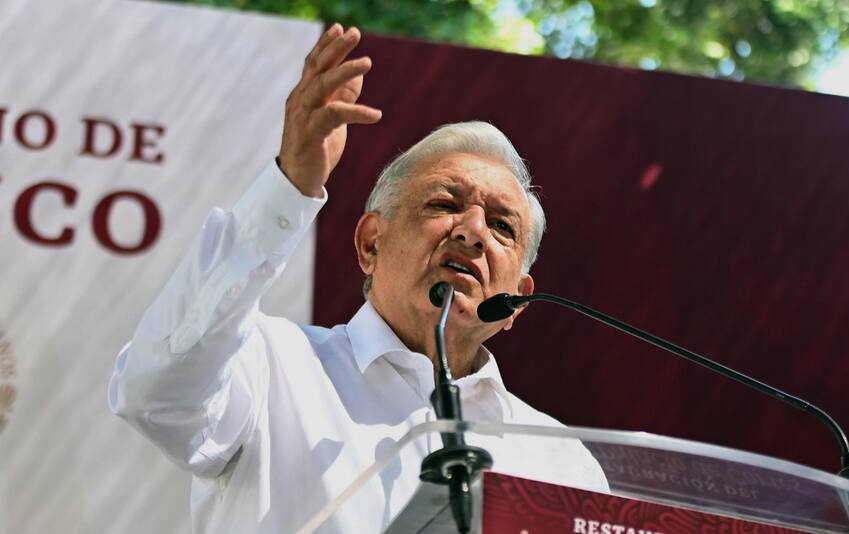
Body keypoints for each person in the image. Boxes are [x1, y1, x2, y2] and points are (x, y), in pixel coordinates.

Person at [108, 24, 608, 533]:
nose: (474, 232)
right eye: (444, 204)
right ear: (371, 244)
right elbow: (154, 394)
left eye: (502, 226)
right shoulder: (271, 366)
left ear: (518, 303)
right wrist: (289, 188)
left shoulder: (561, 461)